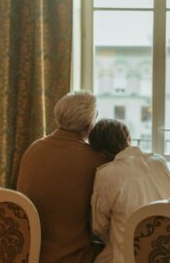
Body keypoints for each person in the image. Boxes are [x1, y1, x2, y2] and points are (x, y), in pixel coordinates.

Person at [17, 91, 109, 263]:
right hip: (72, 257)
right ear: (90, 124)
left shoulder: (33, 149)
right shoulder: (95, 160)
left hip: (29, 254)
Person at [89, 118, 170, 263]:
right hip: (166, 250)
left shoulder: (106, 174)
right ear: (128, 139)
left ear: (100, 152)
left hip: (129, 256)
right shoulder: (160, 162)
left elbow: (99, 227)